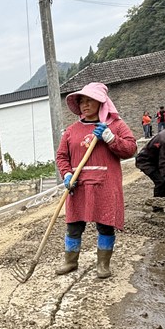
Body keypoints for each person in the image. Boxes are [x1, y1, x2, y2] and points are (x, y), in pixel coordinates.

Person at [55, 82, 137, 278]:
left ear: (101, 102)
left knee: (105, 224)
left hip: (105, 184)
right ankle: (70, 261)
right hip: (78, 184)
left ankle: (103, 264)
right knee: (74, 225)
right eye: (82, 101)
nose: (85, 105)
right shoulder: (72, 130)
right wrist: (67, 174)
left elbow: (131, 149)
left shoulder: (115, 125)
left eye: (90, 100)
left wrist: (110, 138)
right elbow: (61, 156)